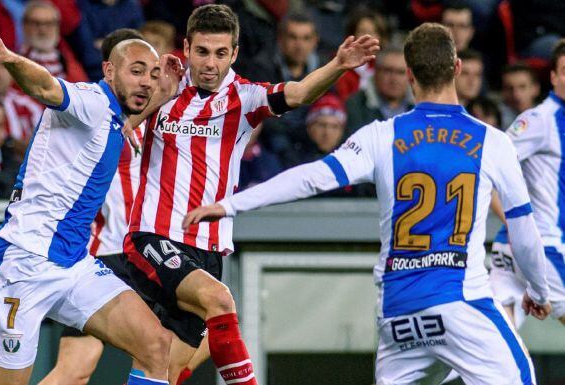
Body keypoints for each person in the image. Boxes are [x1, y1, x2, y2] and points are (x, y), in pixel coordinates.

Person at [185, 23, 552, 385]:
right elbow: (522, 228)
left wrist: (232, 204)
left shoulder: (381, 135)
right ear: (456, 69)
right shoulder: (491, 141)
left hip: (398, 314)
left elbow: (312, 177)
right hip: (460, 303)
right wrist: (538, 291)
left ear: (409, 75)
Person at [120, 4, 377, 384]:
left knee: (165, 367)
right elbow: (122, 129)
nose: (211, 63)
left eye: (221, 53)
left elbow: (300, 92)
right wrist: (160, 95)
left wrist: (338, 64)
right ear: (186, 48)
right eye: (203, 52)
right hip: (155, 236)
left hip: (208, 248)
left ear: (234, 54)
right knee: (222, 301)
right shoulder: (163, 87)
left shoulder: (245, 98)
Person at [0, 32, 183, 385]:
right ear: (109, 71)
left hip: (73, 263)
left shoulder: (114, 117)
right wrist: (9, 58)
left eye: (152, 73)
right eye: (136, 71)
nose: (146, 81)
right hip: (22, 263)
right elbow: (45, 88)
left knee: (156, 346)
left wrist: (165, 91)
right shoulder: (92, 101)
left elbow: (127, 121)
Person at [488, 38, 565, 331]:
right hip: (542, 248)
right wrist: (512, 221)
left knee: (494, 347)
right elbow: (489, 164)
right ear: (554, 77)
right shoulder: (539, 121)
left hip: (520, 250)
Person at [345, 46, 413, 134]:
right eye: (387, 71)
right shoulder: (355, 104)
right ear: (376, 72)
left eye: (400, 72)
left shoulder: (420, 105)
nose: (394, 79)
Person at [20, 1, 88, 83]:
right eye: (36, 23)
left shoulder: (69, 64)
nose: (43, 30)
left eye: (49, 23)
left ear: (57, 27)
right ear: (24, 25)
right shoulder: (13, 62)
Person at [245, 12, 322, 84]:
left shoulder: (323, 67)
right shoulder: (260, 69)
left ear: (315, 41)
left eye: (306, 38)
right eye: (293, 37)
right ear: (280, 39)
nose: (299, 45)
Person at [500, 62, 541, 129]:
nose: (516, 94)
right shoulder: (493, 119)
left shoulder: (550, 118)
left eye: (522, 87)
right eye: (509, 88)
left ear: (535, 89)